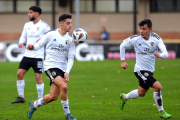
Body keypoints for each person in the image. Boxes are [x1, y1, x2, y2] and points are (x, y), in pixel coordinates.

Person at [26, 14, 76, 120]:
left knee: (53, 97)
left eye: (71, 23)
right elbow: (39, 45)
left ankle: (34, 105)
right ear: (61, 23)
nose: (70, 25)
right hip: (50, 66)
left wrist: (67, 72)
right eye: (68, 23)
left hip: (62, 68)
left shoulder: (71, 39)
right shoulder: (51, 34)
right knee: (64, 87)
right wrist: (32, 47)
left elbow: (71, 58)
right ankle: (68, 115)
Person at [119, 19, 171, 119]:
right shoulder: (136, 38)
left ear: (150, 30)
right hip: (139, 70)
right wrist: (123, 61)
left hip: (150, 70)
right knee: (157, 86)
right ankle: (161, 111)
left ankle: (124, 97)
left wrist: (160, 55)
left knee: (141, 93)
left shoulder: (156, 38)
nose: (141, 31)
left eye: (144, 29)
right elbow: (122, 45)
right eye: (140, 28)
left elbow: (166, 53)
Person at [11, 6, 50, 103]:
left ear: (36, 14)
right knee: (19, 74)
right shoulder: (27, 25)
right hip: (27, 55)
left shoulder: (44, 26)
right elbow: (23, 35)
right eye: (29, 12)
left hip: (38, 57)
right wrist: (21, 42)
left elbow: (50, 38)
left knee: (38, 78)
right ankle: (21, 97)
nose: (29, 14)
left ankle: (40, 99)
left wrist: (42, 40)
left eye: (31, 12)